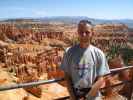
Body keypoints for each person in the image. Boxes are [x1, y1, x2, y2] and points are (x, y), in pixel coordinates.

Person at [60, 20, 110, 100]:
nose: (83, 35)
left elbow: (101, 79)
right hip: (75, 96)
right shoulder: (69, 52)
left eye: (87, 32)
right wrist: (73, 97)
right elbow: (67, 76)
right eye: (81, 32)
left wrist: (87, 97)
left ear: (92, 34)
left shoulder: (99, 53)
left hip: (93, 97)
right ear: (77, 33)